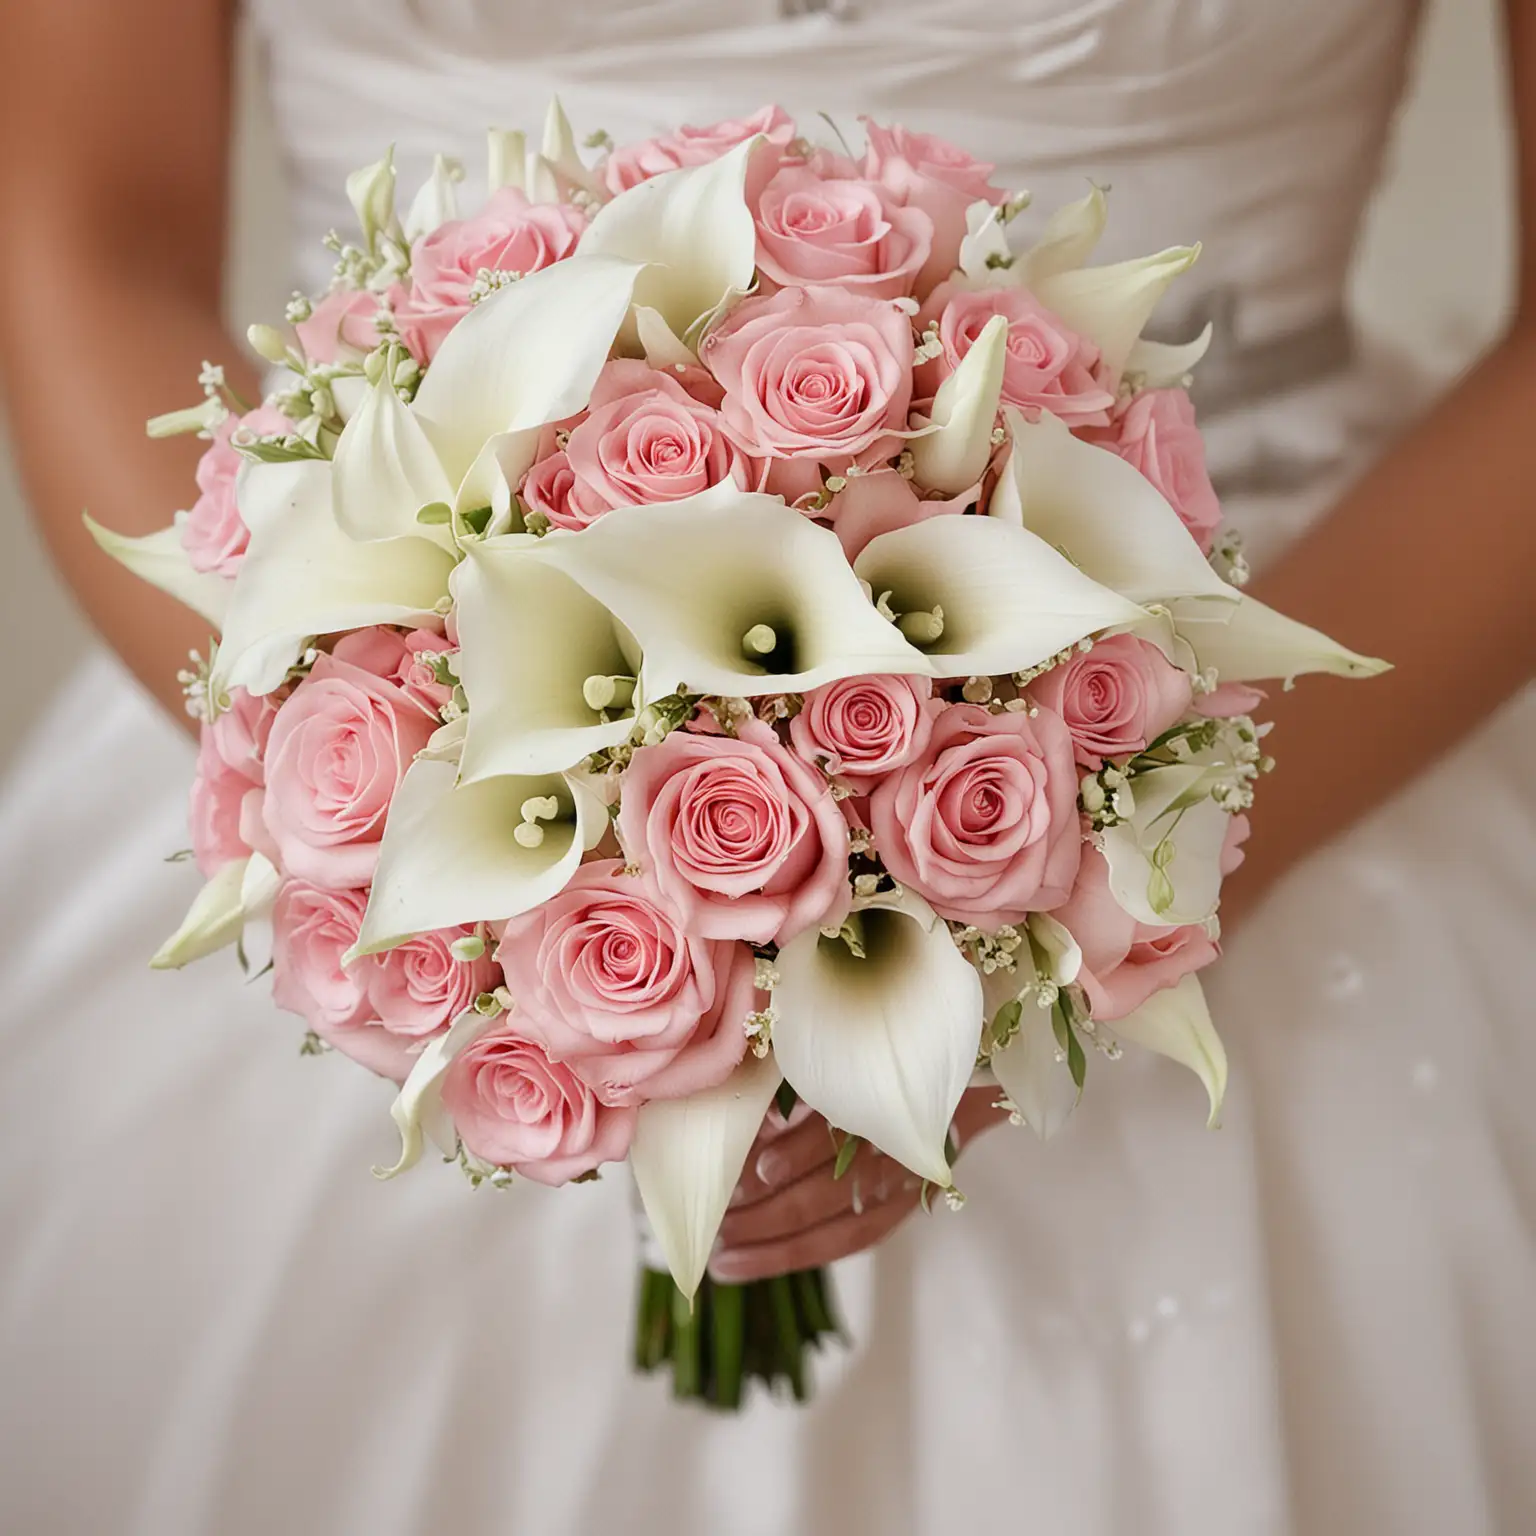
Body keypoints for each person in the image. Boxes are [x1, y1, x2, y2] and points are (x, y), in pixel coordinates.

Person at [0, 2, 1532, 1532]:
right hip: (418, 661)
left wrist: (1131, 862)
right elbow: (84, 244)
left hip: (1279, 685)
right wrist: (389, 791)